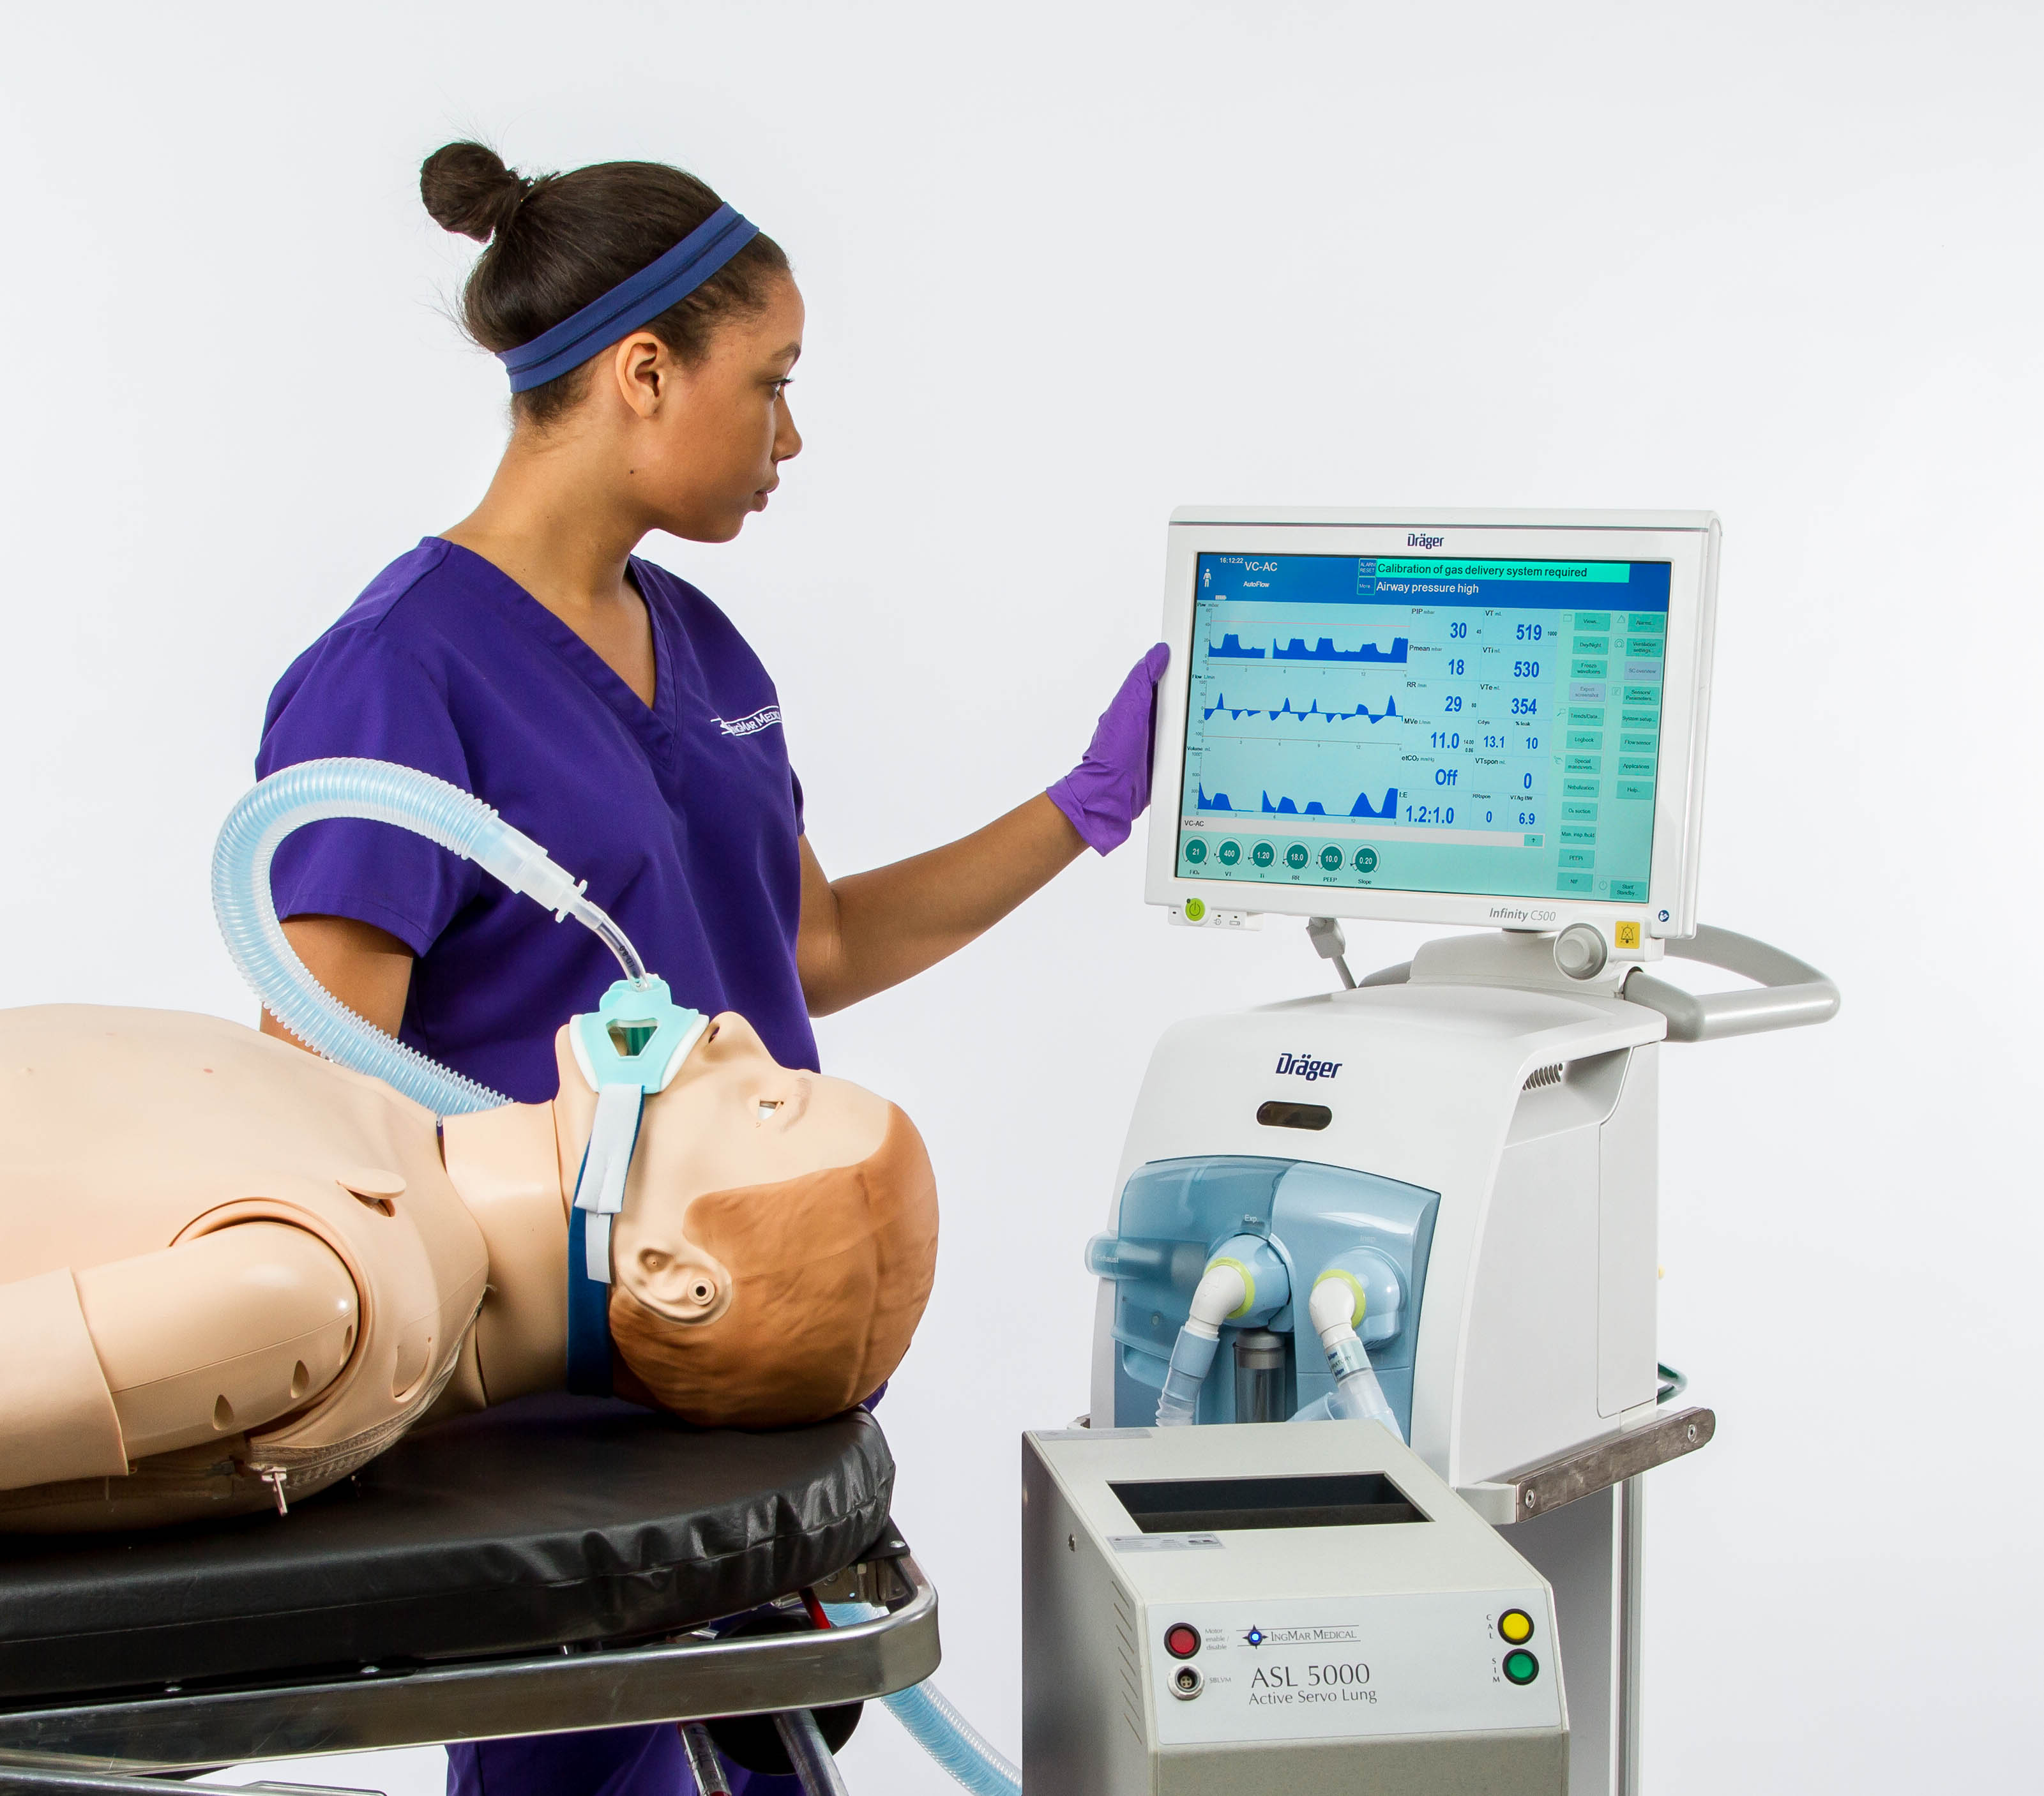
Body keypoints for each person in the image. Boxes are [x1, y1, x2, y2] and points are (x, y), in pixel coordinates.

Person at [253, 142, 1165, 1796]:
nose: (790, 437)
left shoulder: (708, 644)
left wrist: (1083, 810)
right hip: (556, 1447)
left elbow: (813, 947)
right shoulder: (395, 678)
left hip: (761, 1395)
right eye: (775, 382)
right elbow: (311, 1110)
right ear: (645, 370)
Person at [0, 1001, 937, 1533]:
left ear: (668, 1272)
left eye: (769, 1104)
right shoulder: (385, 1140)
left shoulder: (326, 1298)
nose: (731, 1030)